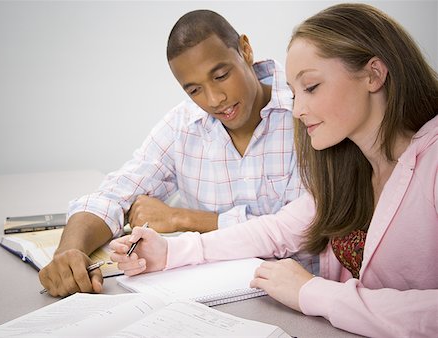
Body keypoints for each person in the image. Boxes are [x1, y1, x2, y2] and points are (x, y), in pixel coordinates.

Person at [110, 3, 438, 337]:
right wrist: (170, 252)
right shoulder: (351, 166)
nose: (297, 111)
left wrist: (312, 292)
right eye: (294, 94)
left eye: (311, 88)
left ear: (373, 75)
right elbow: (276, 231)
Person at [39, 10, 305, 297]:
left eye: (221, 75)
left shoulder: (305, 112)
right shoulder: (183, 125)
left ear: (246, 49)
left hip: (295, 299)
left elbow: (301, 230)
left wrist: (183, 218)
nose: (214, 100)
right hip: (212, 298)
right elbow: (113, 196)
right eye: (194, 90)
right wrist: (69, 251)